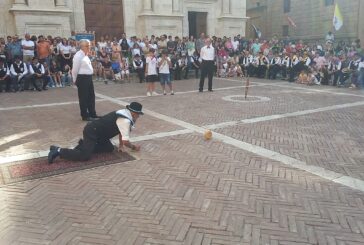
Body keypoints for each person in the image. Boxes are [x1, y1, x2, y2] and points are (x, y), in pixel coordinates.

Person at [47, 102, 143, 164]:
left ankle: (84, 146)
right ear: (134, 113)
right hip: (92, 131)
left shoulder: (124, 113)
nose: (138, 117)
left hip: (102, 135)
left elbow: (122, 132)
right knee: (85, 156)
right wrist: (133, 147)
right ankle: (58, 151)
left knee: (109, 148)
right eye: (138, 115)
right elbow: (126, 141)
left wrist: (121, 146)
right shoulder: (125, 120)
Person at [72, 39, 98, 121]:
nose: (89, 47)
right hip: (82, 78)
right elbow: (75, 69)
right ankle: (85, 115)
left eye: (89, 45)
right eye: (87, 46)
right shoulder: (78, 55)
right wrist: (75, 80)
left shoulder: (85, 55)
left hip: (88, 78)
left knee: (91, 96)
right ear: (82, 46)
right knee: (83, 97)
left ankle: (92, 114)